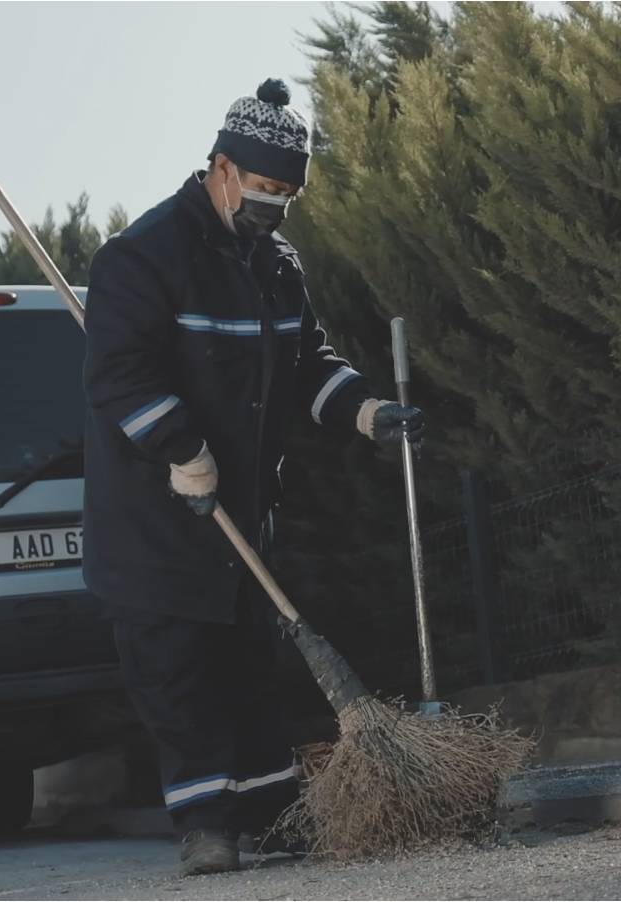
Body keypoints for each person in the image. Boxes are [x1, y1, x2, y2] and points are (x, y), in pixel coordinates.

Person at [80, 77, 424, 876]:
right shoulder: (141, 259)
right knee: (179, 673)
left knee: (248, 669)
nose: (274, 206)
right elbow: (120, 379)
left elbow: (307, 363)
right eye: (265, 188)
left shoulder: (275, 266)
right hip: (153, 523)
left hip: (241, 515)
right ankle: (206, 827)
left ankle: (271, 817)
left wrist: (365, 412)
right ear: (223, 169)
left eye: (288, 195)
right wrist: (181, 450)